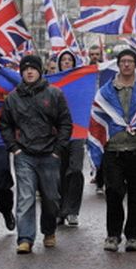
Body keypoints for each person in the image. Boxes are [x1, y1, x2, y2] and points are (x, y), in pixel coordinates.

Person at [89, 48, 136, 252]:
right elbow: (96, 118)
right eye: (123, 61)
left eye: (130, 61)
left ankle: (133, 236)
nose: (127, 65)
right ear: (118, 64)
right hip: (113, 150)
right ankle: (113, 235)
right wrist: (98, 146)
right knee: (113, 193)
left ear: (135, 64)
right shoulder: (105, 91)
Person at [0, 54, 73, 254]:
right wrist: (14, 148)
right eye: (25, 69)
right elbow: (4, 125)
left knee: (51, 198)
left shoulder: (54, 94)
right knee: (25, 197)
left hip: (49, 154)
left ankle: (49, 231)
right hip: (25, 155)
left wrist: (58, 150)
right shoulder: (13, 98)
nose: (29, 72)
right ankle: (25, 238)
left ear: (40, 71)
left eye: (33, 68)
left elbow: (65, 123)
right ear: (21, 72)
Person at [55, 49, 85, 227]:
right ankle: (60, 210)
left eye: (70, 60)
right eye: (64, 60)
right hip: (58, 134)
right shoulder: (53, 83)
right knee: (58, 173)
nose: (67, 62)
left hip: (77, 133)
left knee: (75, 170)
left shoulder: (80, 82)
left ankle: (72, 210)